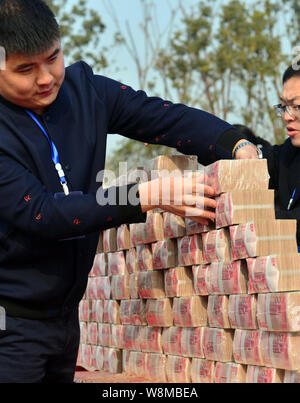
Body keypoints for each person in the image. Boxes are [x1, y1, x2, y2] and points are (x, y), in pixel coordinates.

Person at [0, 0, 259, 383]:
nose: (45, 78)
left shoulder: (85, 92)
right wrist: (144, 197)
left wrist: (236, 145)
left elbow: (166, 118)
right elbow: (44, 213)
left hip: (65, 321)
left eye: (53, 58)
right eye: (25, 69)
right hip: (11, 326)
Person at [261, 64, 300, 248]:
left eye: (296, 106)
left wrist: (251, 217)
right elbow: (260, 161)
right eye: (284, 107)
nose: (287, 117)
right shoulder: (289, 153)